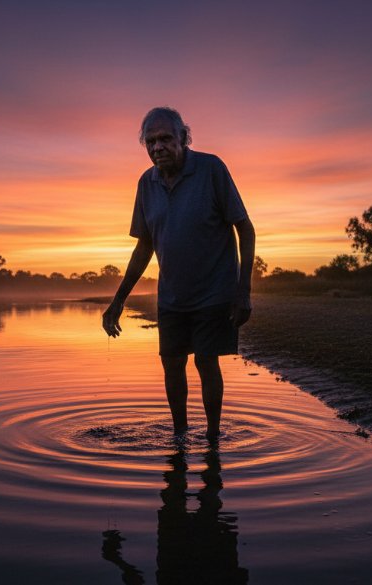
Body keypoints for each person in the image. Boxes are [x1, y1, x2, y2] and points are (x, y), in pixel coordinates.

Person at [102, 106, 255, 441]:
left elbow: (245, 229)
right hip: (171, 296)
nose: (158, 147)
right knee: (171, 363)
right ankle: (180, 437)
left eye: (165, 139)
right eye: (151, 141)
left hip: (214, 291)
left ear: (184, 138)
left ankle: (213, 439)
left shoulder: (211, 169)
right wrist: (117, 302)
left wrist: (243, 291)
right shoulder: (146, 183)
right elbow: (144, 248)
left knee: (205, 361)